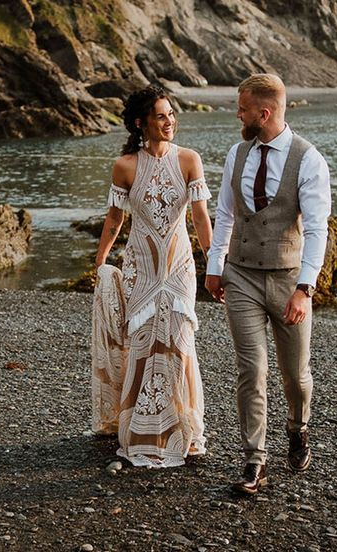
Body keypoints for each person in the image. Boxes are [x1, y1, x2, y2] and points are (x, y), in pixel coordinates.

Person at [205, 74, 331, 494]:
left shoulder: (308, 160)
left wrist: (305, 288)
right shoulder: (236, 154)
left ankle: (298, 428)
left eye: (241, 109)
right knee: (251, 370)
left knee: (295, 376)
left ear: (264, 112)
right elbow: (224, 214)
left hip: (287, 280)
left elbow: (317, 230)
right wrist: (215, 265)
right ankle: (254, 461)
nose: (236, 115)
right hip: (240, 275)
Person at [92, 85, 213, 468]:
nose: (170, 122)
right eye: (161, 116)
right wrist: (100, 264)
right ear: (142, 122)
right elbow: (115, 219)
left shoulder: (189, 160)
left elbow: (199, 217)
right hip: (140, 269)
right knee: (142, 343)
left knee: (178, 341)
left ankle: (183, 432)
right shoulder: (125, 165)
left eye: (172, 114)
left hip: (178, 269)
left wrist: (215, 262)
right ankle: (141, 431)